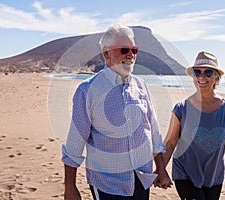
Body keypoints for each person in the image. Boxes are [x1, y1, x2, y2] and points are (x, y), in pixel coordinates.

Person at [62, 24, 172, 200]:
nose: (131, 55)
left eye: (134, 50)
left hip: (142, 180)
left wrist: (161, 169)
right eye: (124, 50)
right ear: (106, 53)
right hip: (107, 184)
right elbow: (75, 141)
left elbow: (153, 131)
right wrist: (70, 186)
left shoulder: (141, 86)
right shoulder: (87, 90)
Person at [161, 51, 225, 199]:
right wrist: (161, 170)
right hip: (185, 174)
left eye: (208, 72)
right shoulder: (182, 109)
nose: (202, 76)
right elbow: (171, 142)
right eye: (197, 72)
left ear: (216, 77)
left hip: (214, 176)